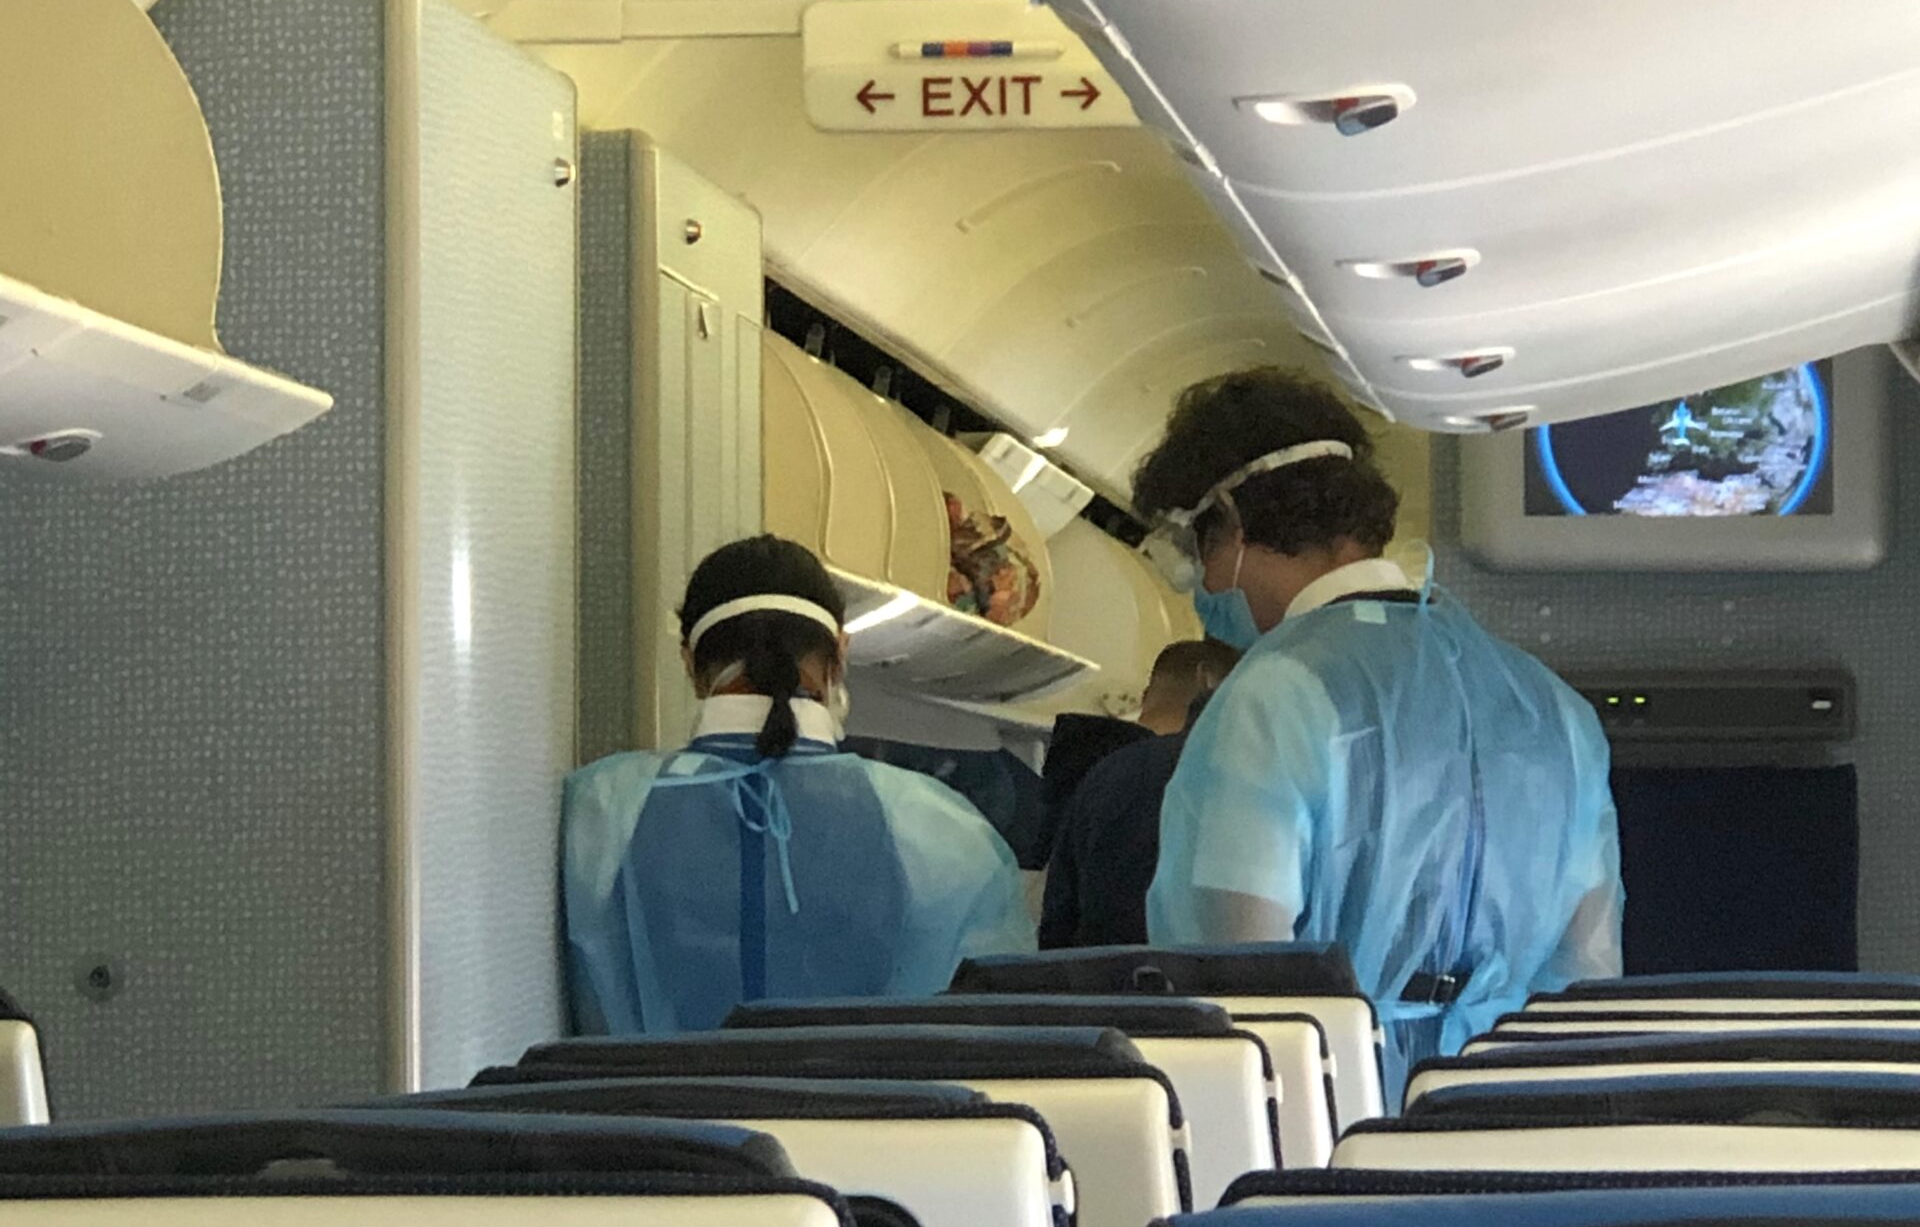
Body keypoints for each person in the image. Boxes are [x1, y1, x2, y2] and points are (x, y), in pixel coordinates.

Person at [1133, 370, 1622, 1097]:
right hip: (1506, 1108)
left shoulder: (1275, 694)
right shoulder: (1553, 708)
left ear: (1230, 524)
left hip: (1331, 1114)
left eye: (1198, 554)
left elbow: (1236, 984)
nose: (1205, 587)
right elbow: (1585, 977)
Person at [563, 535, 1035, 1033]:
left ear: (689, 661)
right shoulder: (940, 828)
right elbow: (990, 1025)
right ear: (840, 653)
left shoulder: (602, 808)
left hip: (650, 1087)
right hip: (871, 1087)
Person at [1040, 638, 1242, 948]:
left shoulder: (1089, 773)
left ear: (1146, 697)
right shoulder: (1211, 773)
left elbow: (1057, 926)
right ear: (1208, 680)